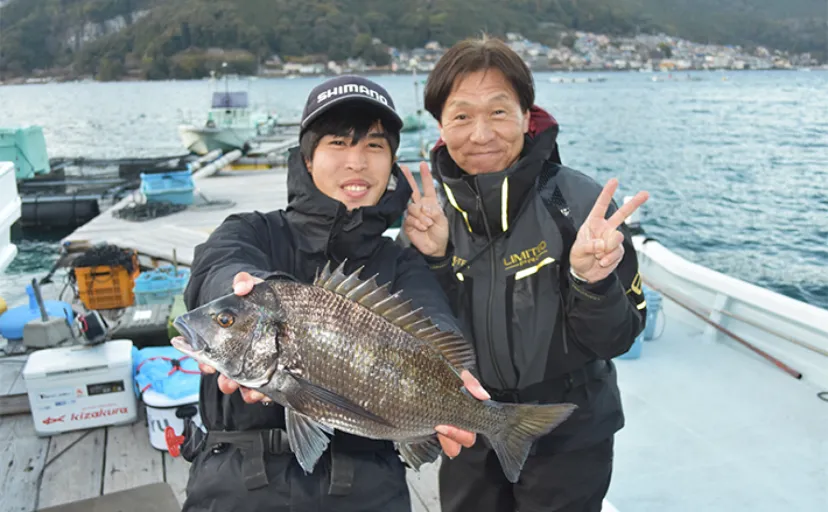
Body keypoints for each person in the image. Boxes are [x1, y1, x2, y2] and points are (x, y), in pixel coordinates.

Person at [178, 75, 486, 512]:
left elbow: (434, 320)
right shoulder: (249, 231)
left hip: (368, 488)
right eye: (338, 144)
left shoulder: (401, 263)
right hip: (236, 486)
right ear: (307, 160)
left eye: (374, 147)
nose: (356, 162)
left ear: (392, 163)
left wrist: (448, 379)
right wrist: (239, 294)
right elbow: (218, 267)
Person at [400, 37, 650, 512]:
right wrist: (434, 261)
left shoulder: (578, 205)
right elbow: (411, 337)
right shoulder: (427, 216)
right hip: (468, 426)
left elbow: (617, 338)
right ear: (439, 125)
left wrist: (592, 283)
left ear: (525, 114)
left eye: (498, 111)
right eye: (461, 116)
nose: (480, 134)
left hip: (567, 430)